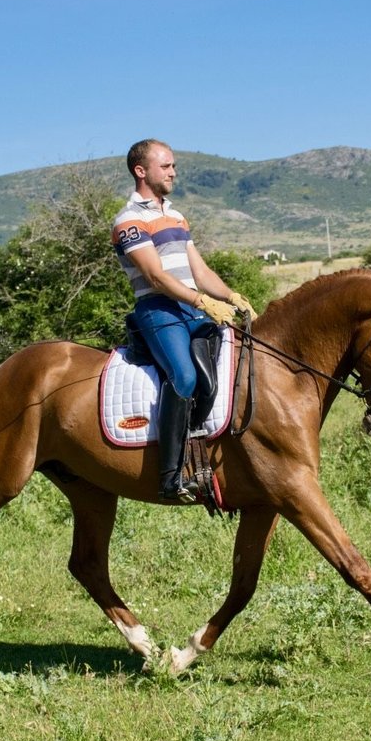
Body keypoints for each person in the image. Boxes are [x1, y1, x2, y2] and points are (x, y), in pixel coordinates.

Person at [112, 138, 256, 503]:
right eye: (166, 166)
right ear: (141, 171)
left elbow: (199, 269)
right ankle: (169, 478)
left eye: (174, 165)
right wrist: (202, 301)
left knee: (217, 375)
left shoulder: (175, 217)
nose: (173, 172)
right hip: (159, 311)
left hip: (193, 308)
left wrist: (231, 297)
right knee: (185, 376)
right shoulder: (129, 221)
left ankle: (205, 456)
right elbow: (157, 277)